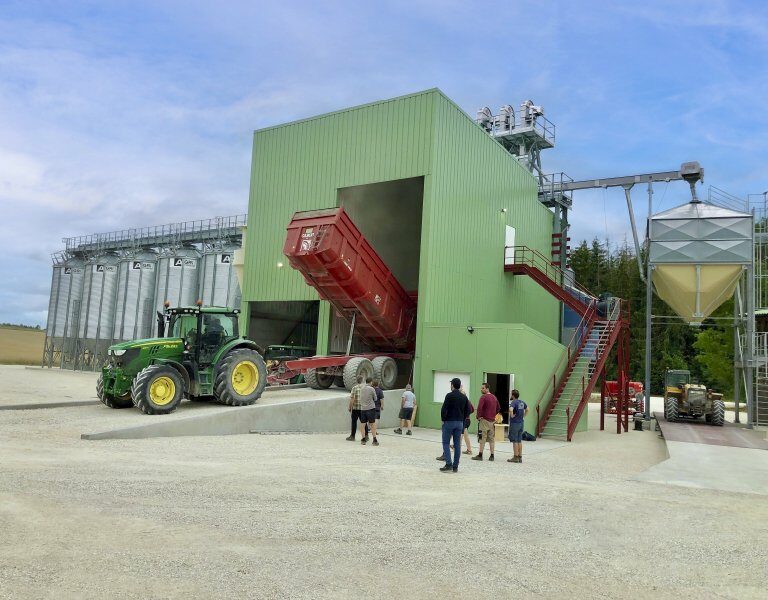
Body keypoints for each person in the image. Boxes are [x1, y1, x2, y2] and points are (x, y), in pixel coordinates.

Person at [438, 378, 471, 473]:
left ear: (452, 385)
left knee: (446, 443)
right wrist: (462, 418)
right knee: (457, 445)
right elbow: (468, 410)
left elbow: (444, 409)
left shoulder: (449, 395)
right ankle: (455, 466)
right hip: (460, 423)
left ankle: (448, 464)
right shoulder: (464, 397)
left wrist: (443, 419)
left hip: (449, 422)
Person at [472, 382, 500, 462]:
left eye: (483, 388)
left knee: (482, 438)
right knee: (491, 439)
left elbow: (479, 408)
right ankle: (492, 456)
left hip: (484, 420)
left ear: (487, 389)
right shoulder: (494, 397)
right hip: (492, 421)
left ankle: (480, 455)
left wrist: (478, 417)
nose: (481, 389)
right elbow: (498, 408)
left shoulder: (483, 397)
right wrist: (493, 415)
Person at [507, 389, 528, 463]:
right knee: (519, 440)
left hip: (515, 423)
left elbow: (511, 409)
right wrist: (524, 416)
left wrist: (512, 415)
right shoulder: (522, 402)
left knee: (514, 440)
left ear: (513, 395)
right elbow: (527, 409)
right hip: (521, 423)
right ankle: (520, 457)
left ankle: (515, 457)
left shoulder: (514, 402)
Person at [358, 377, 379, 446]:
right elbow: (375, 398)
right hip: (370, 408)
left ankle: (363, 439)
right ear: (371, 382)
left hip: (363, 409)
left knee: (363, 424)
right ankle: (374, 440)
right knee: (372, 424)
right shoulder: (371, 389)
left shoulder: (361, 388)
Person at [346, 376, 364, 441]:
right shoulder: (365, 388)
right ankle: (366, 436)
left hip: (355, 408)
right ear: (362, 380)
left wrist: (350, 407)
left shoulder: (354, 388)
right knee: (363, 422)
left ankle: (352, 436)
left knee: (354, 422)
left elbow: (352, 399)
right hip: (363, 408)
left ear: (357, 380)